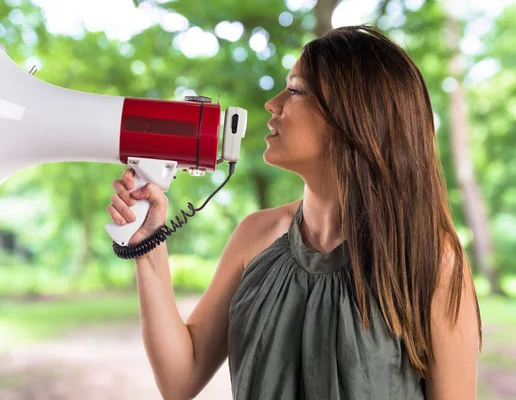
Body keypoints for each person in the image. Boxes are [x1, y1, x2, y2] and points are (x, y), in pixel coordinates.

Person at [107, 25, 482, 400]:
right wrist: (147, 245)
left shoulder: (433, 260)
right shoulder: (255, 235)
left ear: (355, 116)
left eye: (296, 90)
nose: (273, 103)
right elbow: (180, 379)